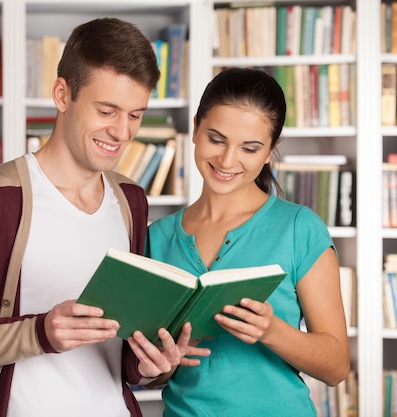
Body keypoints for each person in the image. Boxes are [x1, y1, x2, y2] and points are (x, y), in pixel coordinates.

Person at [0, 17, 209, 417]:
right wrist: (37, 332)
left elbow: (120, 353)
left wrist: (150, 368)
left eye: (135, 114)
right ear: (62, 94)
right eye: (107, 110)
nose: (122, 132)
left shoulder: (131, 200)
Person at [144, 67, 350, 416]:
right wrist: (162, 364)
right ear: (194, 129)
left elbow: (336, 368)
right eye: (216, 138)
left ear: (271, 150)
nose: (227, 161)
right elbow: (152, 374)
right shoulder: (157, 236)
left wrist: (271, 330)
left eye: (250, 148)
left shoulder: (299, 228)